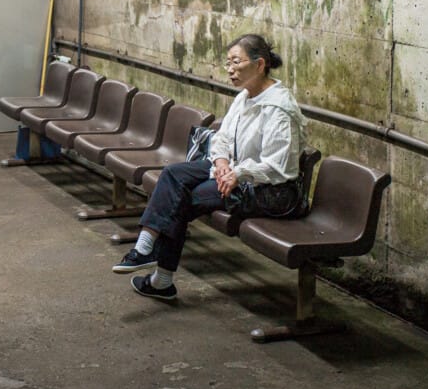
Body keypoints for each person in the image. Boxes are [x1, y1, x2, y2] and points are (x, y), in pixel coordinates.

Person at [112, 34, 308, 301]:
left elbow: (279, 167)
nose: (229, 69)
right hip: (236, 172)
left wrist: (238, 173)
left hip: (269, 191)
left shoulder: (278, 108)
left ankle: (161, 280)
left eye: (236, 62)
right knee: (172, 175)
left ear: (260, 64)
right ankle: (144, 248)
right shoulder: (245, 97)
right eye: (227, 62)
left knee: (182, 198)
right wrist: (221, 162)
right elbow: (222, 137)